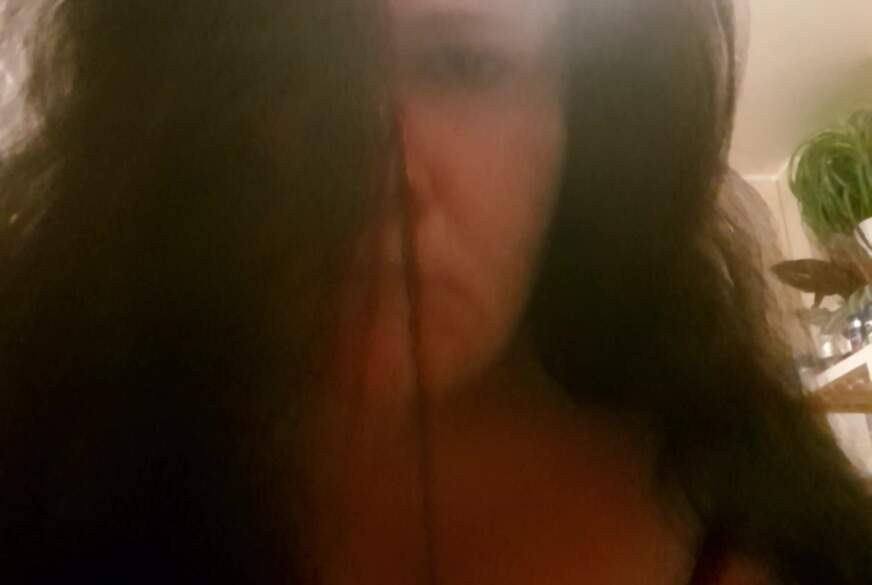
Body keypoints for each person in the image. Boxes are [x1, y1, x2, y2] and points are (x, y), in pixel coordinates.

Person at [0, 0, 870, 583]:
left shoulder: (748, 522)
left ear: (586, 118)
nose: (373, 174)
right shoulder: (51, 453)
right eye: (280, 75)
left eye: (462, 63)